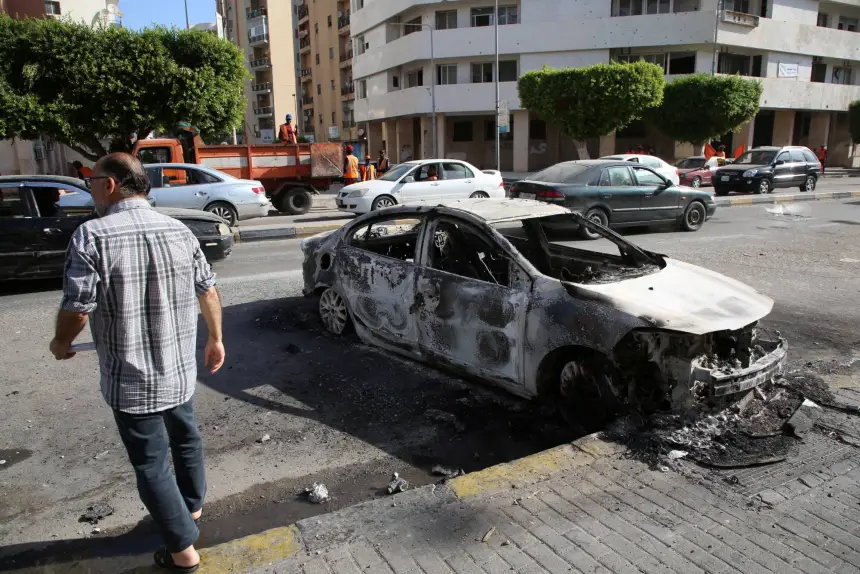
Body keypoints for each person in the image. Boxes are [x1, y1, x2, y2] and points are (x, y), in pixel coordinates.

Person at [49, 153, 224, 572]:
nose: (90, 189)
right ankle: (190, 509)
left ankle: (182, 551)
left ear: (109, 184)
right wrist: (216, 339)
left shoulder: (92, 235)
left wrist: (60, 342)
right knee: (186, 439)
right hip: (178, 370)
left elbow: (78, 307)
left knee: (150, 462)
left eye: (91, 181)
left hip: (132, 379)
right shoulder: (179, 230)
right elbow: (208, 290)